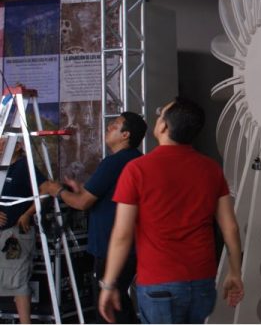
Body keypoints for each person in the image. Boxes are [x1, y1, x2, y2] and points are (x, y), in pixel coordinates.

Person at [98, 97, 244, 324]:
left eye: (160, 115)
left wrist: (109, 283)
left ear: (164, 126)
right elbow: (230, 227)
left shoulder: (137, 170)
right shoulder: (211, 169)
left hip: (159, 283)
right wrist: (235, 272)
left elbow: (122, 234)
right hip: (202, 282)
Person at [46, 111, 147, 323]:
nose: (109, 127)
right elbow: (104, 194)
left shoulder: (113, 163)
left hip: (110, 246)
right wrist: (80, 188)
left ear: (125, 135)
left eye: (115, 125)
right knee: (121, 303)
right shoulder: (138, 160)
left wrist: (57, 191)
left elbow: (83, 202)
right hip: (132, 246)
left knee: (108, 308)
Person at [0, 141, 52, 324]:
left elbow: (46, 191)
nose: (0, 144)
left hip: (16, 232)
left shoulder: (24, 165)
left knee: (18, 279)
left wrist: (27, 214)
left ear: (18, 145)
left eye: (5, 141)